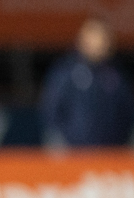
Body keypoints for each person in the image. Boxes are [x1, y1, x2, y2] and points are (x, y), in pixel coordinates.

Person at [41, 17, 134, 148]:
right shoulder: (66, 72)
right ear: (83, 40)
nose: (100, 43)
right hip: (74, 153)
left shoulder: (117, 75)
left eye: (104, 38)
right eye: (95, 37)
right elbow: (52, 112)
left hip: (111, 154)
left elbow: (127, 113)